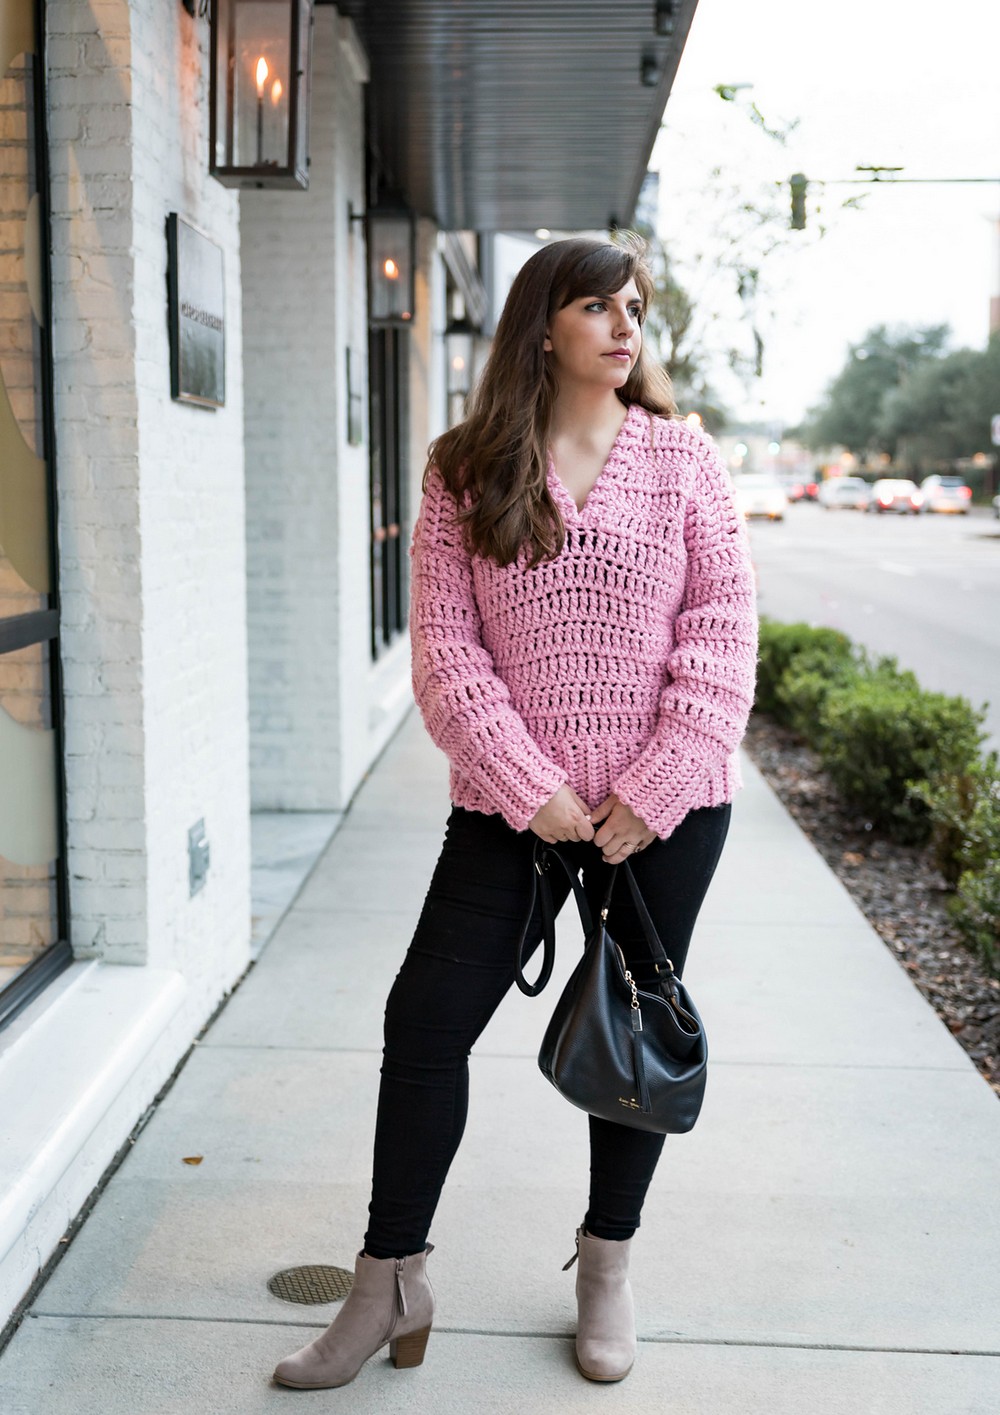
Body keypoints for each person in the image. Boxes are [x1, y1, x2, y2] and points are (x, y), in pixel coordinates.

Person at [272, 233, 758, 1391]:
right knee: (426, 1019)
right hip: (512, 807)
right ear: (543, 324)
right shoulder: (461, 466)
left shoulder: (686, 462)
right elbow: (445, 653)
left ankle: (604, 1266)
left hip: (664, 813)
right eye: (599, 305)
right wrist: (526, 786)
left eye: (634, 306)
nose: (626, 324)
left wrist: (650, 788)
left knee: (634, 1033)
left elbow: (723, 638)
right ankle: (389, 1274)